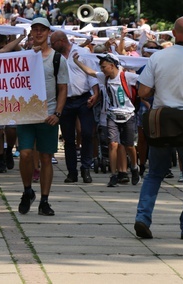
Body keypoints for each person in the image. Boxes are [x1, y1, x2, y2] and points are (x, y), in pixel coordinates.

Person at [134, 16, 183, 240]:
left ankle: (143, 218)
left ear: (173, 32)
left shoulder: (158, 57)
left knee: (154, 175)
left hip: (161, 124)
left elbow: (142, 92)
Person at [17, 17, 68, 216]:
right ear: (31, 33)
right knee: (25, 154)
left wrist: (58, 113)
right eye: (35, 29)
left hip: (48, 114)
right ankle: (27, 190)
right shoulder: (23, 57)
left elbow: (63, 88)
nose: (38, 33)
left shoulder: (57, 59)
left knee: (46, 157)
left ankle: (44, 200)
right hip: (26, 114)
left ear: (48, 33)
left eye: (42, 30)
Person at [73, 53, 141, 187]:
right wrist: (76, 61)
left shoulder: (127, 76)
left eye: (104, 67)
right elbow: (90, 71)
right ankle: (114, 174)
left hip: (128, 115)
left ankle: (134, 167)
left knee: (129, 146)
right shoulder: (104, 77)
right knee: (113, 144)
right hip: (112, 115)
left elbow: (143, 81)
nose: (102, 69)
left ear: (112, 66)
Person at [50, 30, 100, 184]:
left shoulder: (82, 52)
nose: (51, 46)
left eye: (53, 43)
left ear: (62, 41)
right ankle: (72, 172)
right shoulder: (54, 57)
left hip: (84, 98)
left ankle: (86, 167)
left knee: (86, 133)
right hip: (64, 101)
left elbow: (92, 75)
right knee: (68, 138)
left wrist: (96, 93)